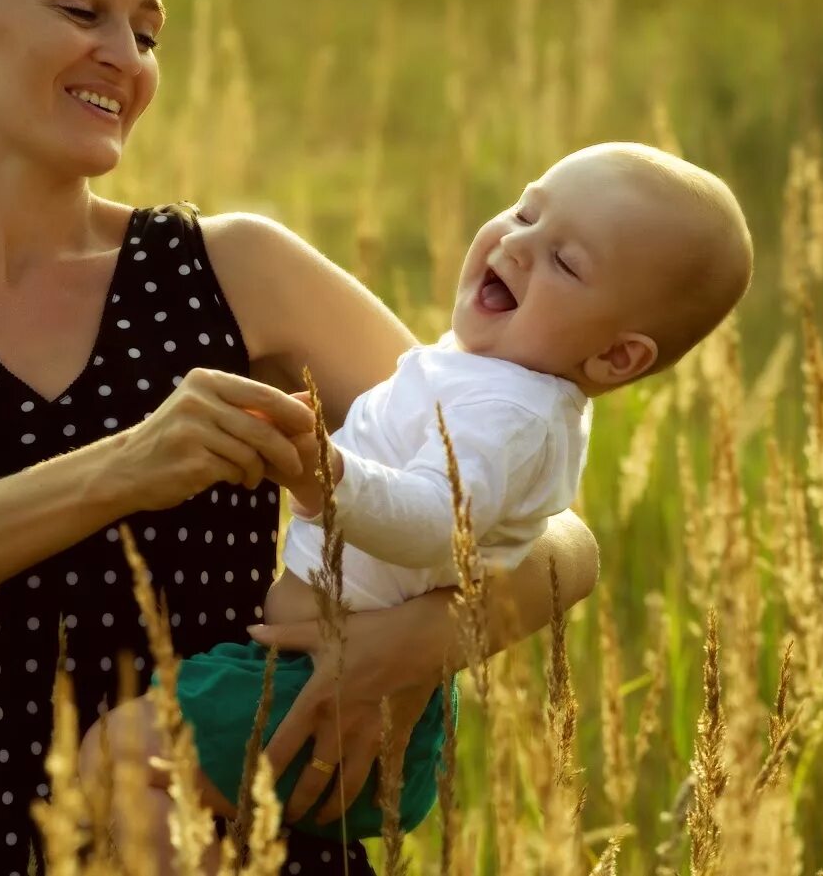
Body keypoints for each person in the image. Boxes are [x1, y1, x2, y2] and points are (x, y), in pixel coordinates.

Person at [0, 0, 601, 874]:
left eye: (145, 32)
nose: (126, 57)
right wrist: (126, 467)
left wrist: (414, 648)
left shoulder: (233, 269)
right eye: (82, 9)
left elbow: (557, 536)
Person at [84, 142, 753, 857]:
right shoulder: (489, 377)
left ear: (618, 358)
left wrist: (323, 470)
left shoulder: (512, 413)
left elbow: (439, 524)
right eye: (526, 211)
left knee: (115, 759)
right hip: (314, 678)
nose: (518, 244)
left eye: (565, 261)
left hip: (324, 689)